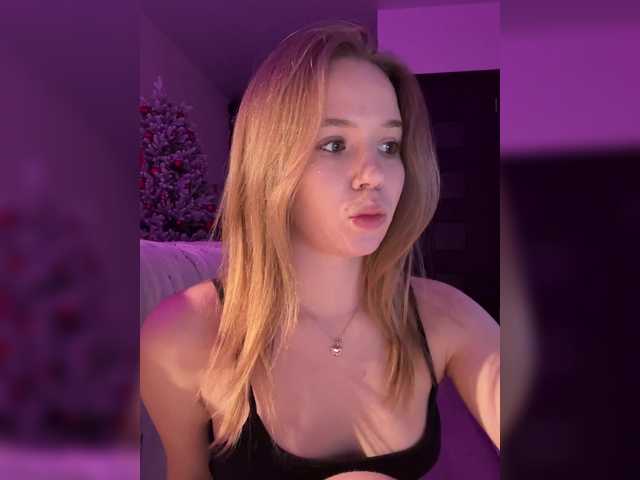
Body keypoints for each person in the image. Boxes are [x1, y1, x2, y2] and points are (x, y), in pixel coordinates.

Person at [140, 21, 500, 480]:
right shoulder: (182, 336)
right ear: (271, 165)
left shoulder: (445, 317)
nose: (374, 174)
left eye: (389, 145)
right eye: (335, 144)